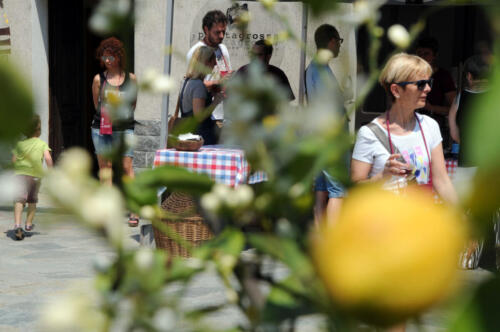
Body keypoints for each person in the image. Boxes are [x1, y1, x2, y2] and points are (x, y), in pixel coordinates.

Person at [351, 53, 457, 205]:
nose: (427, 88)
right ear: (396, 90)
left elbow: (442, 181)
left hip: (419, 221)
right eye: (420, 84)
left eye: (429, 82)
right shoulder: (369, 133)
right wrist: (382, 176)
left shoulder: (429, 126)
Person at [91, 37, 139, 227]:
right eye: (105, 56)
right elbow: (96, 104)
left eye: (111, 56)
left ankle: (133, 209)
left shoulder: (131, 78)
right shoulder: (98, 79)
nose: (107, 60)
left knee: (127, 168)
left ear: (119, 57)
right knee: (106, 169)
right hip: (102, 128)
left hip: (125, 127)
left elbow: (133, 103)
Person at [305, 24, 348, 225]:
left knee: (321, 189)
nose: (339, 46)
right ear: (331, 41)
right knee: (338, 191)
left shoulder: (315, 67)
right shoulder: (320, 69)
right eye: (339, 41)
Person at [187, 10, 232, 125]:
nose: (221, 36)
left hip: (225, 114)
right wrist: (219, 83)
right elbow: (193, 83)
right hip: (207, 115)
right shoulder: (197, 52)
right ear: (206, 30)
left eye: (223, 32)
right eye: (217, 32)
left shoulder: (223, 49)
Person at [12, 114, 53, 240]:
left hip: (20, 175)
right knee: (32, 201)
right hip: (35, 177)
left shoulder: (20, 144)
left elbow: (14, 160)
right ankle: (28, 224)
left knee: (19, 200)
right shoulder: (42, 144)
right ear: (38, 130)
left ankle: (17, 225)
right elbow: (48, 158)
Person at [415, 37, 457, 151]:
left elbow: (454, 107)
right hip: (408, 126)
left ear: (435, 56)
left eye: (426, 53)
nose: (422, 57)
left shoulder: (443, 76)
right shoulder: (408, 74)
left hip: (434, 126)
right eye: (419, 53)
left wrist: (430, 108)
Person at [181, 46, 224, 145]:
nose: (215, 64)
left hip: (191, 135)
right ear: (205, 62)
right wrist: (216, 101)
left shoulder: (187, 81)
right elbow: (199, 117)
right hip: (200, 138)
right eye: (213, 60)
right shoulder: (198, 85)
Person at [236, 39, 295, 104]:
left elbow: (286, 101)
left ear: (269, 56)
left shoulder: (279, 74)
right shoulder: (242, 72)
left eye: (259, 55)